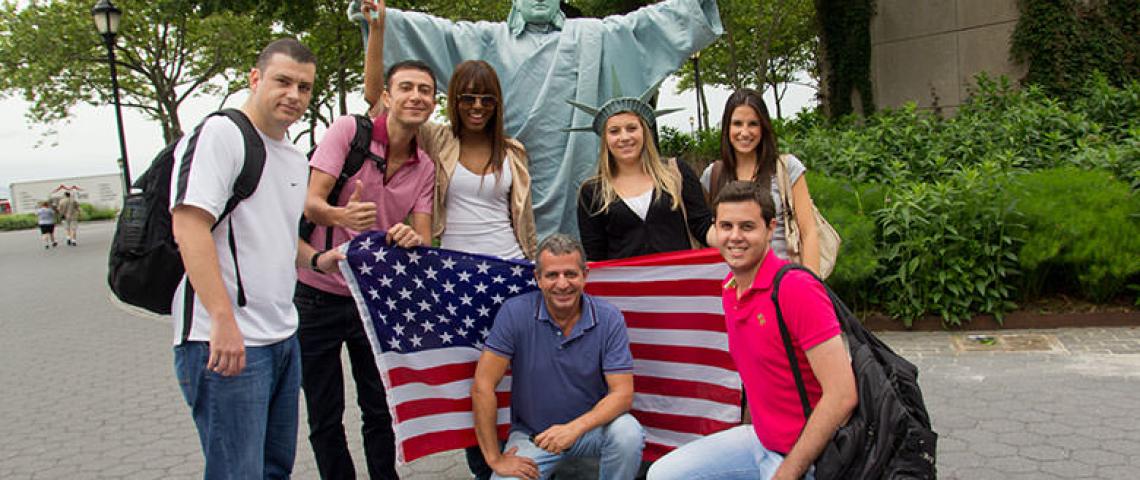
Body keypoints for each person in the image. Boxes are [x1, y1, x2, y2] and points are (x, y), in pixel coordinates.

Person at [351, 0, 722, 239]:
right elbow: (438, 35)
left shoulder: (594, 35)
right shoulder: (487, 42)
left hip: (581, 191)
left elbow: (641, 28)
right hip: (507, 207)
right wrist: (383, 20)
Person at [170, 38, 339, 479]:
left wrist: (320, 260)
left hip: (282, 336)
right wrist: (222, 320)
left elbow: (277, 240)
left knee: (272, 469)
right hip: (226, 341)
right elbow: (189, 226)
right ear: (255, 78)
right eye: (283, 81)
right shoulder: (221, 134)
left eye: (304, 88)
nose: (294, 96)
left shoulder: (293, 156)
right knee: (237, 472)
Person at [647, 181, 857, 480]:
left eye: (747, 226)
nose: (735, 237)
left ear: (771, 229)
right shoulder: (731, 289)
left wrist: (787, 473)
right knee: (663, 474)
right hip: (760, 439)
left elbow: (842, 395)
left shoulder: (796, 288)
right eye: (726, 226)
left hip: (807, 455)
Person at [294, 58, 436, 479]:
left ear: (432, 103)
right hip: (317, 292)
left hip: (374, 298)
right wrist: (341, 217)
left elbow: (424, 237)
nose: (416, 96)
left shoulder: (425, 165)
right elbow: (309, 204)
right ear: (387, 96)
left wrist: (412, 239)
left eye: (425, 90)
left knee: (379, 405)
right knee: (325, 411)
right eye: (406, 87)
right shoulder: (348, 132)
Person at [471, 234, 645, 480]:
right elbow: (483, 386)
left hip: (591, 429)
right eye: (552, 275)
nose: (562, 284)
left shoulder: (609, 317)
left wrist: (573, 429)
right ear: (538, 279)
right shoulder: (514, 312)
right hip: (534, 435)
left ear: (585, 276)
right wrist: (494, 458)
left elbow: (622, 394)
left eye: (570, 274)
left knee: (628, 433)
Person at [574, 87, 716, 261]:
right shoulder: (591, 192)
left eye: (631, 128)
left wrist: (733, 241)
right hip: (626, 285)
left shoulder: (676, 172)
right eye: (614, 131)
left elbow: (701, 225)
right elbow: (595, 255)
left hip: (682, 281)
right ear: (605, 139)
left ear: (644, 132)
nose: (624, 137)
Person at [701, 89, 822, 274]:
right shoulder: (713, 175)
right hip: (735, 287)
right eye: (737, 124)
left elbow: (809, 231)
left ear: (763, 127)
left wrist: (810, 284)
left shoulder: (786, 168)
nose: (745, 132)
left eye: (753, 124)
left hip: (784, 282)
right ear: (727, 128)